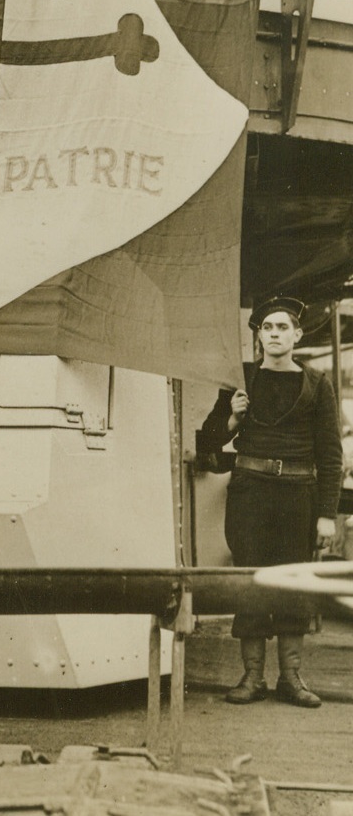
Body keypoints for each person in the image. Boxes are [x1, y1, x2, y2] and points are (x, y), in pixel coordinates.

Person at [198, 296, 343, 708]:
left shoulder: (317, 383)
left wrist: (326, 515)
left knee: (293, 583)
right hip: (250, 493)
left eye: (282, 328)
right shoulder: (240, 380)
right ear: (258, 335)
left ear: (297, 335)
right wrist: (232, 419)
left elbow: (331, 455)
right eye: (267, 328)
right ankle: (252, 676)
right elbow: (209, 442)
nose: (275, 334)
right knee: (253, 582)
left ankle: (291, 678)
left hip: (299, 495)